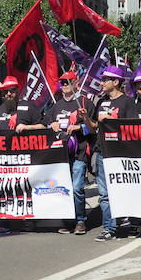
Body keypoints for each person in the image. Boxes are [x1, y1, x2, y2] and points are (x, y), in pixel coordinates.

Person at [0, 76, 44, 237]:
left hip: (24, 159)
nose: (8, 93)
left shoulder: (28, 107)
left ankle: (28, 221)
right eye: (5, 91)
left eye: (11, 90)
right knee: (1, 189)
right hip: (2, 160)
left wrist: (28, 127)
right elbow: (0, 125)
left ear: (18, 91)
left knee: (24, 189)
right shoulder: (1, 108)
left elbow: (44, 125)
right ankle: (2, 223)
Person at [81, 66, 138, 241]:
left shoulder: (127, 102)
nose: (102, 82)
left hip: (120, 154)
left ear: (116, 82)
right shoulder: (101, 101)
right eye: (103, 79)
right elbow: (94, 128)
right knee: (104, 194)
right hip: (102, 151)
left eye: (106, 79)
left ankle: (133, 220)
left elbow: (133, 127)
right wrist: (86, 119)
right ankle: (109, 228)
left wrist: (111, 119)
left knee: (123, 191)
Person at [45, 71, 90, 235]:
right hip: (61, 155)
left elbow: (94, 127)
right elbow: (46, 123)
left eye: (67, 82)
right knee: (64, 188)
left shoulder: (84, 102)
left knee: (77, 187)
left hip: (79, 153)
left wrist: (79, 127)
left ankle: (80, 220)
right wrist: (52, 125)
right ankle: (68, 221)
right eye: (62, 82)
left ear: (75, 83)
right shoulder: (56, 105)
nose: (64, 85)